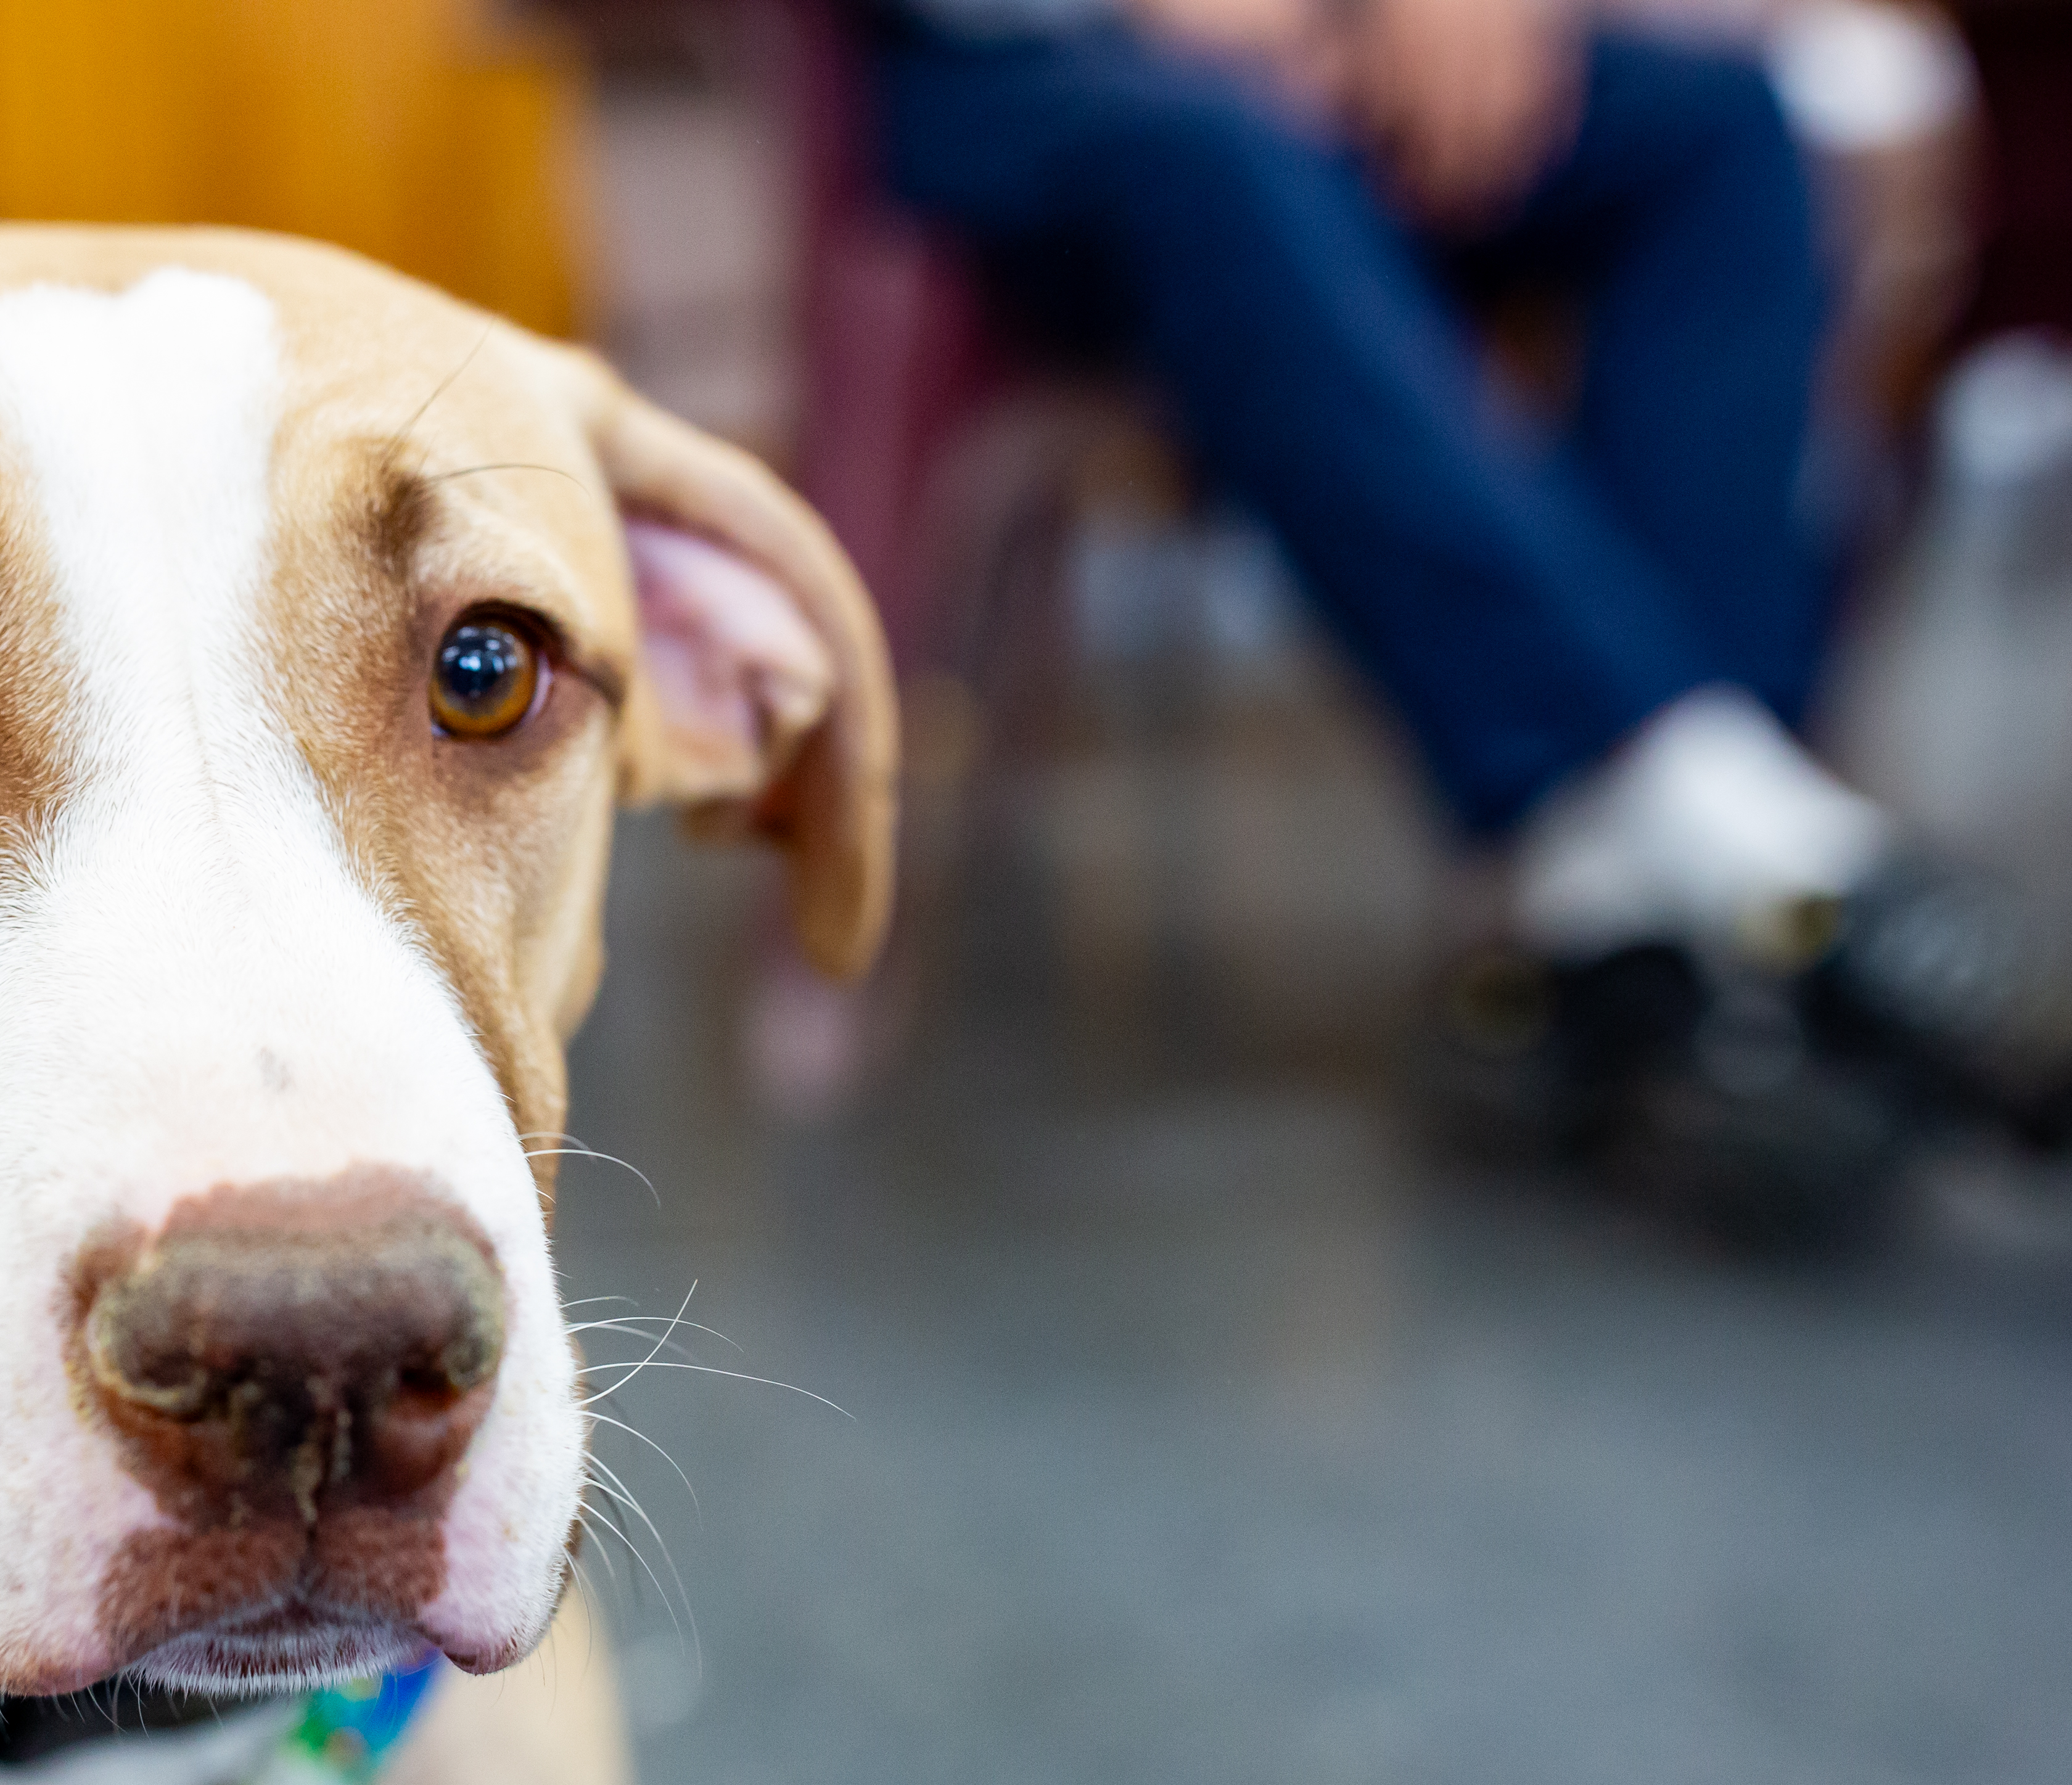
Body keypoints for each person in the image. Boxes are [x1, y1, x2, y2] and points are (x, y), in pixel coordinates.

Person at [855, 0, 2071, 1225]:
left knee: (1721, 129)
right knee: (1211, 150)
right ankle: (1730, 853)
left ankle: (1656, 930)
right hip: (1020, 70)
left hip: (1326, 42)